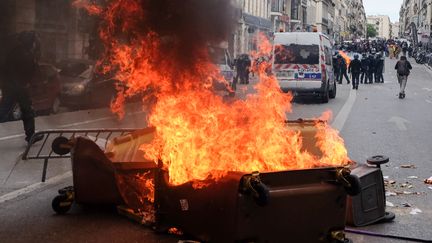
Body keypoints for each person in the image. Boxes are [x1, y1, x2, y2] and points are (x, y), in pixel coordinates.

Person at [0, 31, 43, 144]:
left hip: (14, 86)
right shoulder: (25, 55)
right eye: (35, 40)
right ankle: (30, 136)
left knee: (24, 110)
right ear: (30, 42)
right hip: (17, 87)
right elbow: (29, 72)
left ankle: (31, 136)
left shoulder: (18, 52)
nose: (36, 42)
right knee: (8, 111)